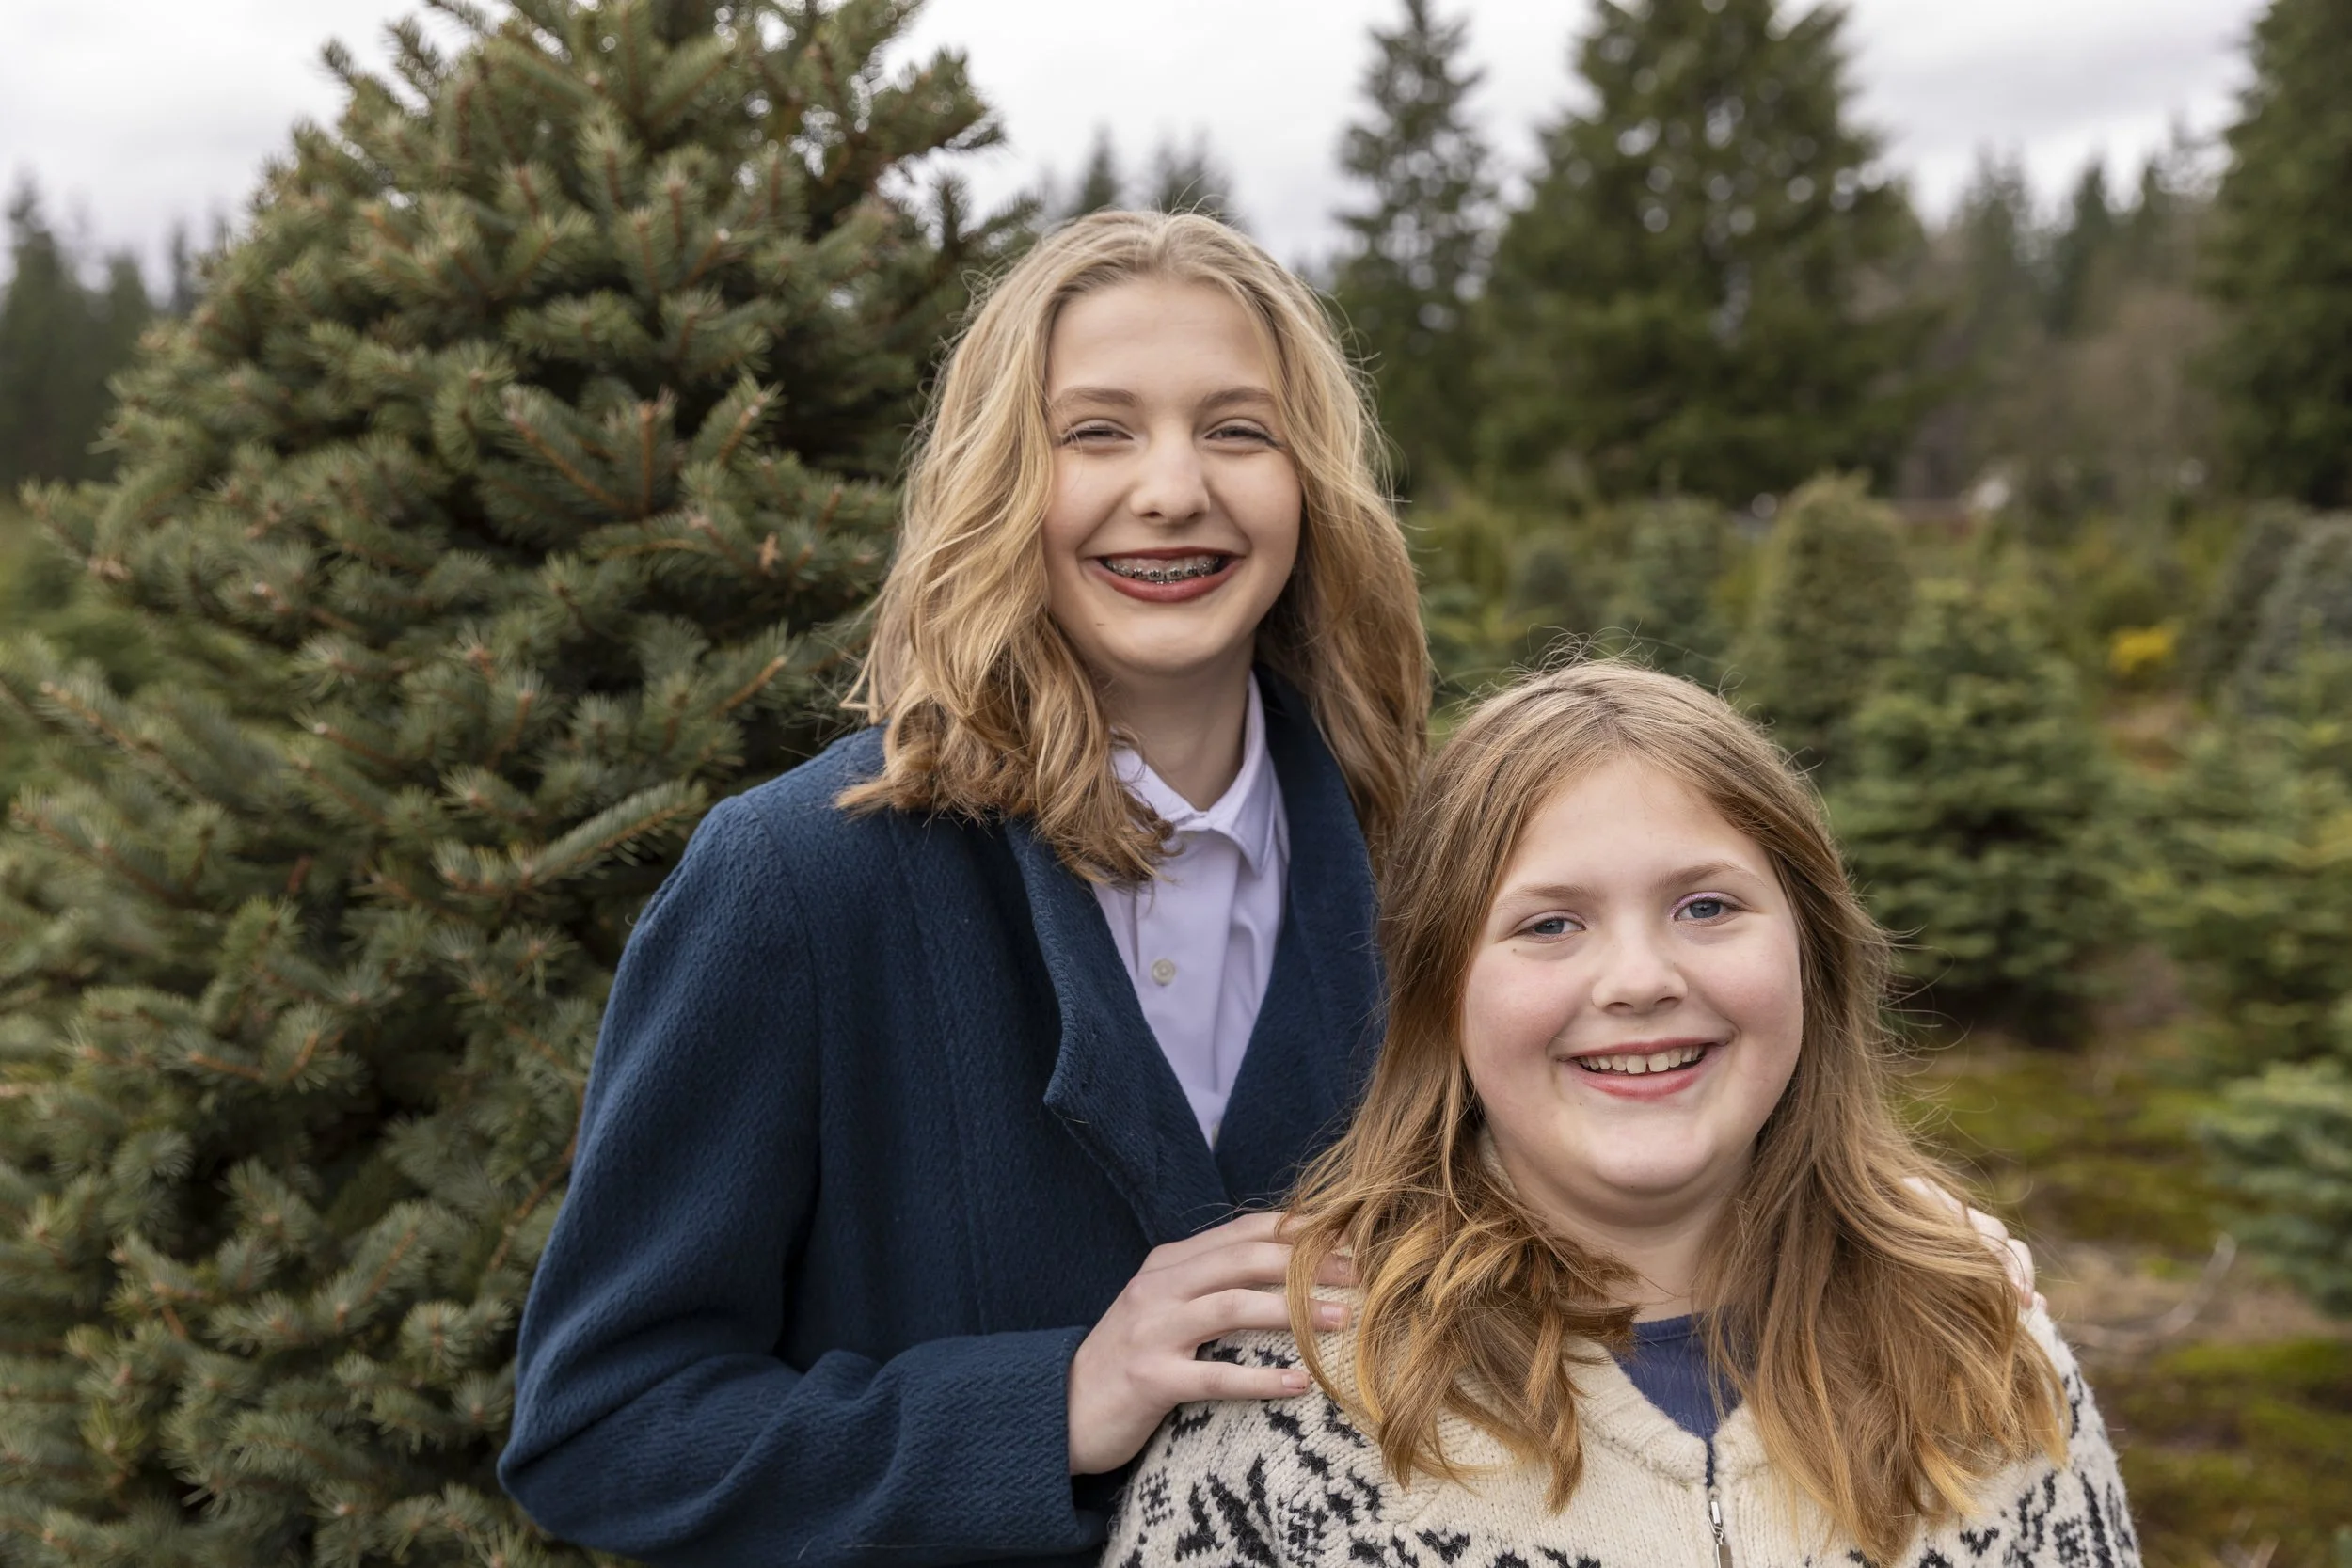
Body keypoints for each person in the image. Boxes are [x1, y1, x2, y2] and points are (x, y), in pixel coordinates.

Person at [497, 211, 1431, 1568]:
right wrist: (1052, 1401)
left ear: (1314, 486)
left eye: (1239, 430)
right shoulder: (799, 880)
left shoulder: (1429, 865)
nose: (1174, 489)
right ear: (999, 478)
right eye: (1096, 432)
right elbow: (602, 1424)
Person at [1105, 662, 2136, 1568]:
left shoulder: (1983, 1353)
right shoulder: (1289, 1407)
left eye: (1706, 906)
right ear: (1440, 992)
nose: (1639, 979)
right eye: (1549, 923)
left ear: (1809, 955)